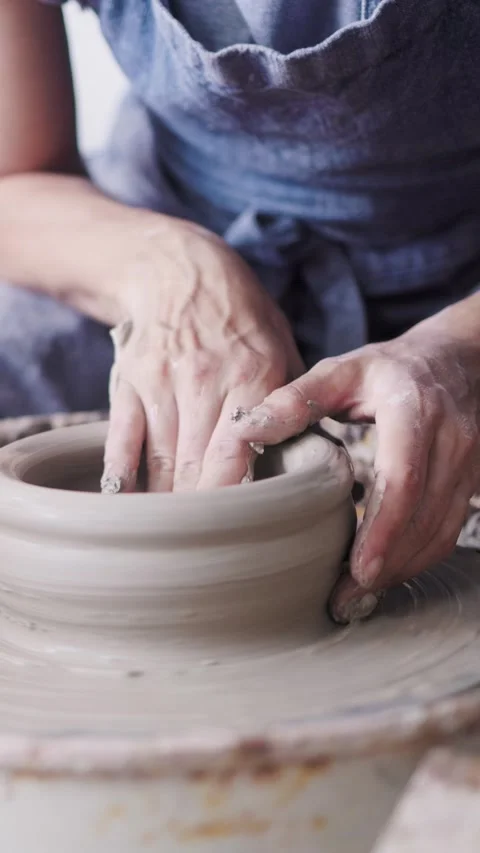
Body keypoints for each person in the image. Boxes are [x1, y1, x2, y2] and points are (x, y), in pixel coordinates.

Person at [1, 0, 479, 622]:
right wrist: (168, 269)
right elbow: (14, 178)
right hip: (153, 234)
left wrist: (463, 349)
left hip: (456, 287)